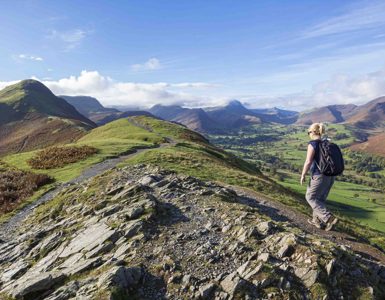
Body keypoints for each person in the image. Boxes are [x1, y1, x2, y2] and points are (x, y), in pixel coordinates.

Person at [300, 123, 338, 231]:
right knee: (319, 199)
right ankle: (317, 221)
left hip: (319, 175)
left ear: (313, 132)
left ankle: (329, 218)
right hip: (331, 175)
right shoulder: (326, 142)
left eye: (309, 132)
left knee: (310, 197)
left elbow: (308, 161)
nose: (309, 134)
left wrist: (303, 174)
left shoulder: (313, 144)